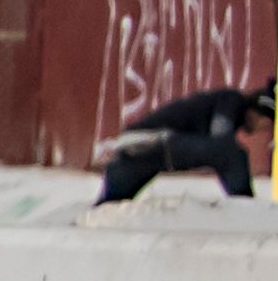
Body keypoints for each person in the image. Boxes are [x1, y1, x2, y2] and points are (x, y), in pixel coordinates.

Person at [95, 84, 268, 204]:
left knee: (110, 204)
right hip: (156, 140)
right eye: (267, 124)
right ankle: (245, 206)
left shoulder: (227, 104)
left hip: (132, 145)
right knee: (232, 153)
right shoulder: (233, 100)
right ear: (257, 112)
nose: (264, 130)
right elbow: (221, 138)